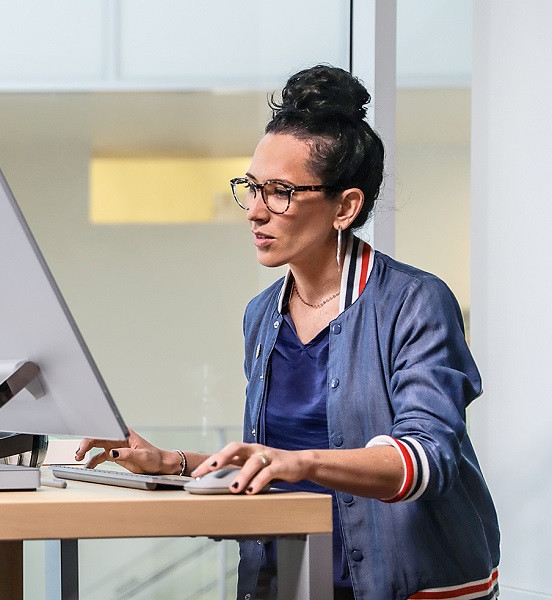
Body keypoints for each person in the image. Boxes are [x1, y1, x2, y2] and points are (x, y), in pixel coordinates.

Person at [75, 65, 500, 600]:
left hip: (403, 585)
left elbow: (425, 458)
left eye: (279, 192)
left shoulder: (414, 302)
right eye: (252, 188)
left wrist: (302, 464)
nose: (255, 212)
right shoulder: (262, 315)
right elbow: (273, 462)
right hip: (291, 581)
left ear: (345, 207)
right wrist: (171, 464)